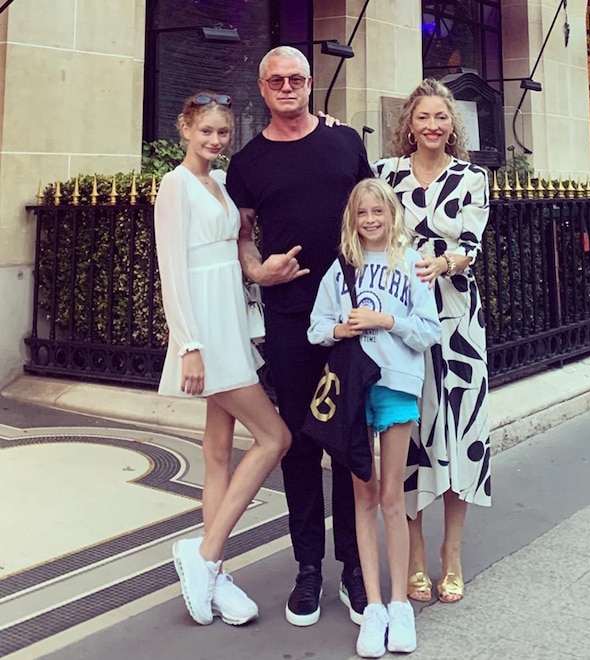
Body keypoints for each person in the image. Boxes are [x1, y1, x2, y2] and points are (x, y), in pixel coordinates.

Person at [225, 46, 373, 627]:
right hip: (289, 317)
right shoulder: (247, 162)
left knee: (349, 439)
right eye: (276, 81)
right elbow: (241, 236)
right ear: (262, 88)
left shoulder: (344, 143)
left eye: (296, 79)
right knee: (300, 443)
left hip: (352, 316)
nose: (287, 88)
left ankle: (355, 566)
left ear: (310, 84)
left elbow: (374, 214)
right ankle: (308, 566)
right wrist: (258, 271)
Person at [155, 91, 291, 627]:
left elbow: (236, 249)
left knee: (217, 451)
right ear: (185, 129)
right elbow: (171, 270)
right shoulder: (176, 185)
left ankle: (213, 574)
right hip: (205, 328)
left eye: (223, 132)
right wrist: (188, 344)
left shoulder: (222, 182)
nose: (215, 140)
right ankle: (205, 553)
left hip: (230, 317)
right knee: (274, 437)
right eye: (206, 130)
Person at [308, 179, 441, 658]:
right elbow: (316, 327)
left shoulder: (410, 262)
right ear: (353, 218)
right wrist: (341, 329)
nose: (370, 220)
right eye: (362, 213)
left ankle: (400, 603)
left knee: (391, 496)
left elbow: (428, 330)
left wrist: (387, 321)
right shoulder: (343, 266)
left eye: (377, 212)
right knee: (362, 496)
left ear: (391, 214)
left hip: (396, 383)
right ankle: (375, 606)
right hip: (352, 389)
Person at [373, 79, 491, 604]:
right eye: (423, 117)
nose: (432, 126)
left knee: (460, 432)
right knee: (410, 432)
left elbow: (472, 245)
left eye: (441, 117)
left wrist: (443, 263)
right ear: (410, 124)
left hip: (456, 320)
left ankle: (453, 553)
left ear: (452, 124)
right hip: (402, 317)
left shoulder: (472, 178)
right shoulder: (386, 174)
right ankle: (415, 554)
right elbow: (370, 229)